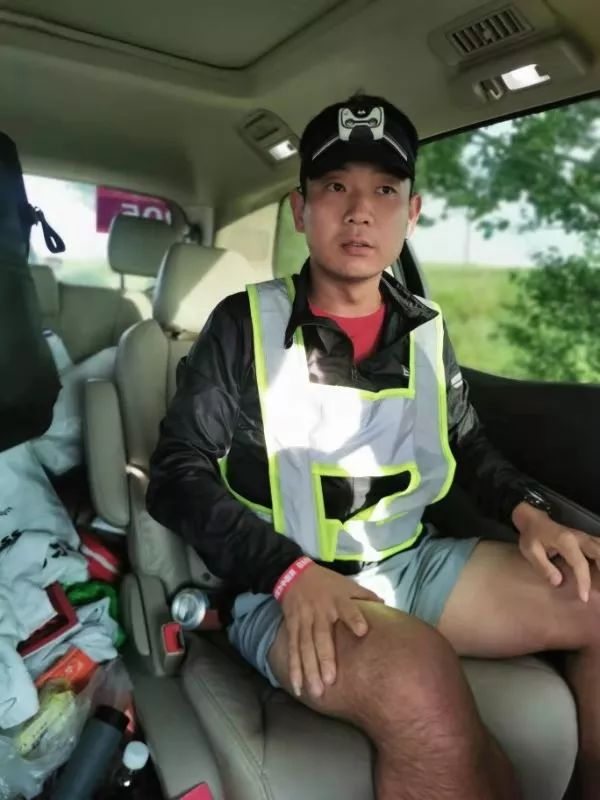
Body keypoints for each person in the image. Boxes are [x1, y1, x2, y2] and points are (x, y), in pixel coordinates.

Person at [147, 95, 600, 800]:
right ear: (302, 210)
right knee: (419, 677)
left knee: (594, 591)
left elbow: (466, 444)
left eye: (384, 190)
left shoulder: (425, 329)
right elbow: (176, 475)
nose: (360, 211)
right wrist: (288, 573)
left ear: (410, 214)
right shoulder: (243, 324)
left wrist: (529, 513)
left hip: (413, 567)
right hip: (284, 589)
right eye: (336, 187)